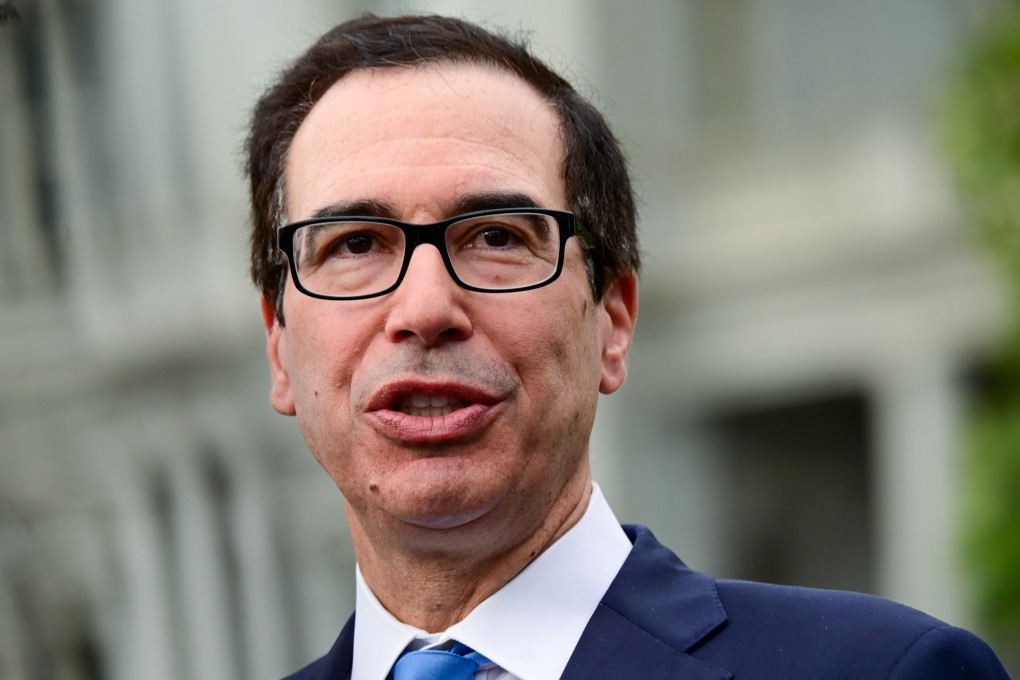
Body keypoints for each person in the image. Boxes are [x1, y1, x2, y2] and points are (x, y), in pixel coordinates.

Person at [245, 13, 1010, 680]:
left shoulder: (887, 672)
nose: (425, 308)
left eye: (496, 237)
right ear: (280, 347)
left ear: (612, 319)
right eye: (353, 245)